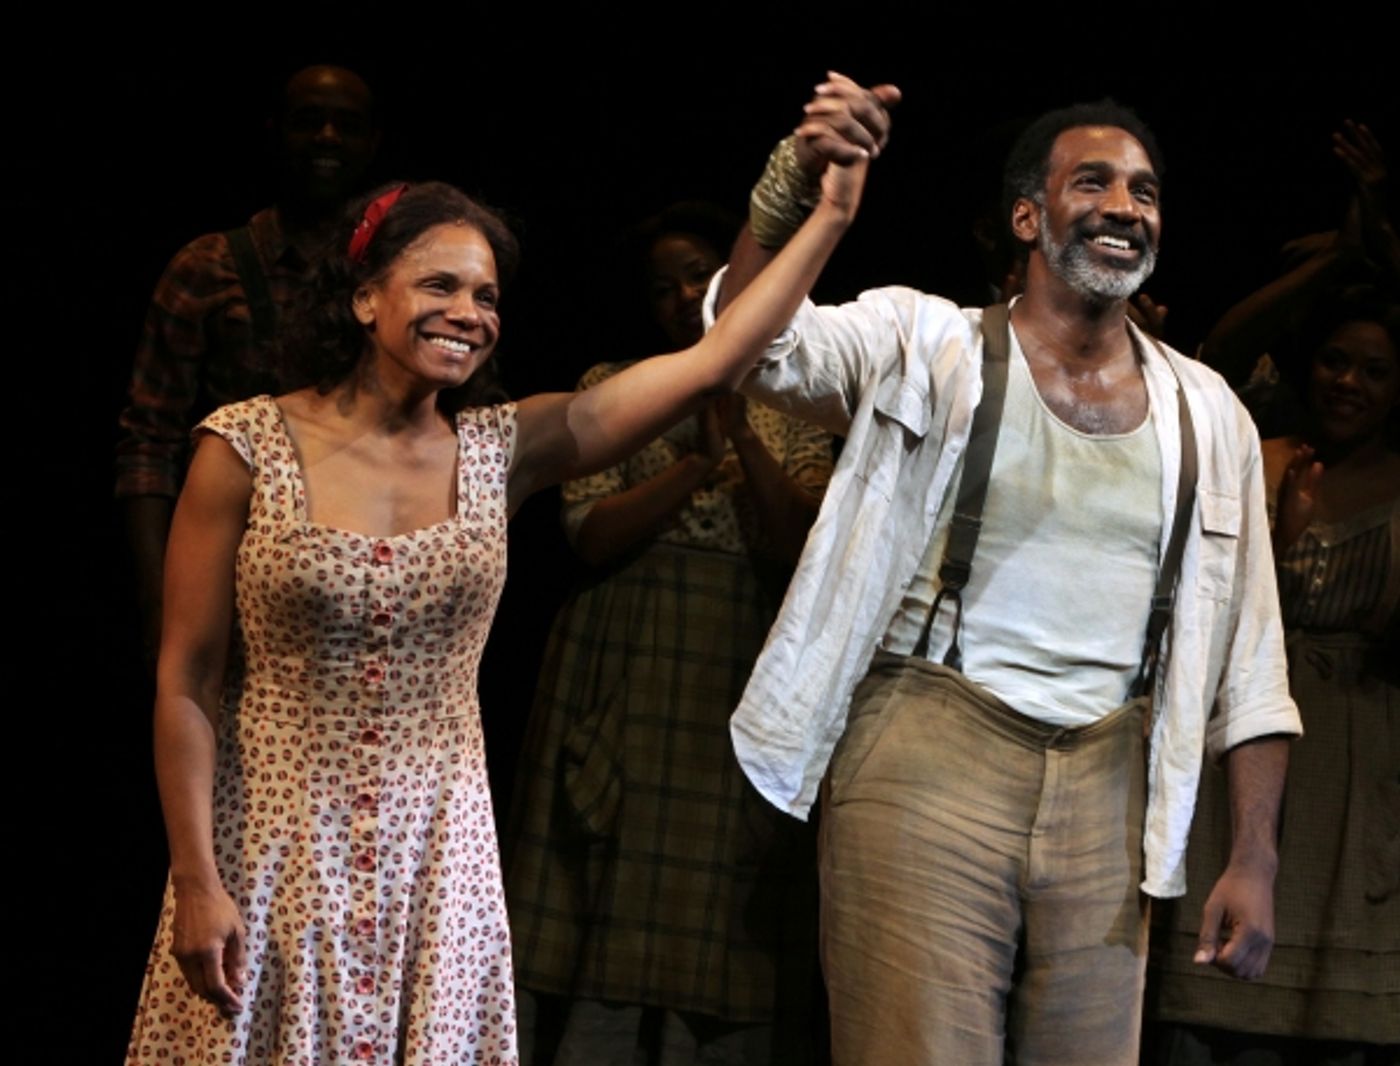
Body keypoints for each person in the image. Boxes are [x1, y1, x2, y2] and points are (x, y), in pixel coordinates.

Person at [125, 159, 866, 1065]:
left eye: (486, 294)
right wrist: (198, 877)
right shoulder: (243, 446)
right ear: (364, 299)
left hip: (437, 860)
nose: (468, 311)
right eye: (438, 283)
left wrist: (823, 215)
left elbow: (713, 358)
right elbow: (187, 680)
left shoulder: (502, 448)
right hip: (272, 843)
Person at [711, 76, 1303, 1065]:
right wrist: (792, 187)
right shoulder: (926, 340)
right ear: (1027, 215)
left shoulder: (1210, 415)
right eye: (1094, 182)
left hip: (1114, 775)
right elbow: (750, 346)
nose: (1123, 206)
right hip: (928, 743)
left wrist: (1252, 854)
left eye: (1144, 191)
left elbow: (1250, 665)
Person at [505, 204, 832, 1064]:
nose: (685, 296)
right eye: (663, 287)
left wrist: (742, 438)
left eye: (699, 275)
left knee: (723, 900)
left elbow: (803, 544)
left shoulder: (804, 397)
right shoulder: (618, 386)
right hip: (622, 655)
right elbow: (590, 535)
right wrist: (692, 458)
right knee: (597, 870)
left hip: (737, 661)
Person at [1146, 294, 1399, 1062]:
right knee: (1221, 967)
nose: (1349, 381)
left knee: (1336, 955)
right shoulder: (1262, 454)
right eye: (1335, 361)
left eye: (1375, 370)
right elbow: (1220, 603)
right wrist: (1283, 539)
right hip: (1252, 722)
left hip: (1357, 739)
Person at [117, 64, 381, 671]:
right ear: (275, 132)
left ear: (372, 142)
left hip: (358, 568)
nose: (327, 138)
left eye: (347, 124)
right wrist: (160, 607)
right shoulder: (210, 267)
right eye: (308, 121)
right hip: (230, 568)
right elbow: (147, 445)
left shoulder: (391, 277)